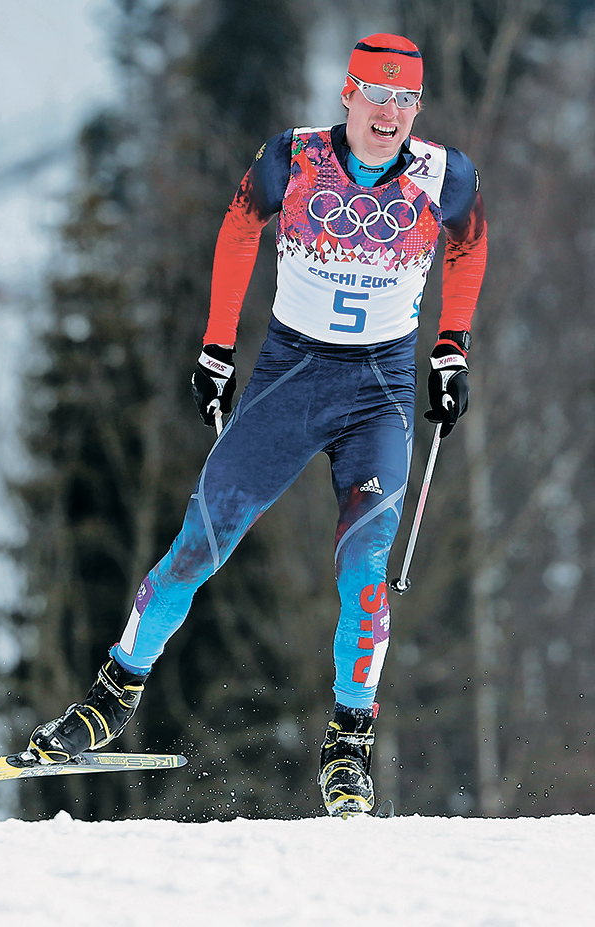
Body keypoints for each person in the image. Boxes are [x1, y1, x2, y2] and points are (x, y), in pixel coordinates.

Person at [26, 33, 488, 816]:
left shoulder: (445, 173)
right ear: (347, 95)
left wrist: (450, 348)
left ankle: (348, 745)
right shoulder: (294, 158)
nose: (390, 114)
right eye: (376, 95)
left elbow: (468, 249)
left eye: (406, 99)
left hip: (379, 389)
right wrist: (215, 345)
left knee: (366, 571)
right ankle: (112, 695)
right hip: (292, 378)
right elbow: (240, 231)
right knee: (197, 544)